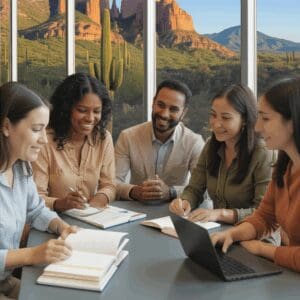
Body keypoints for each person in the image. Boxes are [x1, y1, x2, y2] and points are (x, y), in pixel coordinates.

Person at [211, 78, 300, 272]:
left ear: (293, 121)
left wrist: (265, 250)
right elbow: (265, 217)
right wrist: (233, 234)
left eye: (266, 119)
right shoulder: (284, 165)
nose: (257, 127)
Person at [0, 82, 76, 300]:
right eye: (36, 129)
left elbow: (35, 210)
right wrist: (32, 254)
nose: (44, 139)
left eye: (45, 129)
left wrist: (61, 226)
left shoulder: (20, 168)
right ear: (6, 126)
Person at [170, 84, 274, 224]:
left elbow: (264, 212)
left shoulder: (263, 153)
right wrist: (185, 202)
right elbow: (194, 189)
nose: (216, 123)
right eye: (213, 115)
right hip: (220, 231)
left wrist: (221, 214)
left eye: (225, 118)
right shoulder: (210, 146)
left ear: (244, 119)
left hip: (256, 238)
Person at [32, 73, 116, 212]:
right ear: (66, 109)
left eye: (96, 111)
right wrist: (60, 203)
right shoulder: (44, 141)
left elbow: (109, 185)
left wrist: (100, 199)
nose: (90, 118)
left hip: (90, 220)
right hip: (50, 221)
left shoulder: (103, 138)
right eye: (82, 110)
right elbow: (34, 197)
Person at [115, 79, 204, 202]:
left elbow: (203, 189)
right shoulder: (128, 137)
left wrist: (171, 192)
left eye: (173, 109)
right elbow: (112, 183)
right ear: (153, 103)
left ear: (183, 113)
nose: (164, 114)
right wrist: (135, 191)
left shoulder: (194, 142)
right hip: (136, 211)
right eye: (160, 105)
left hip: (176, 212)